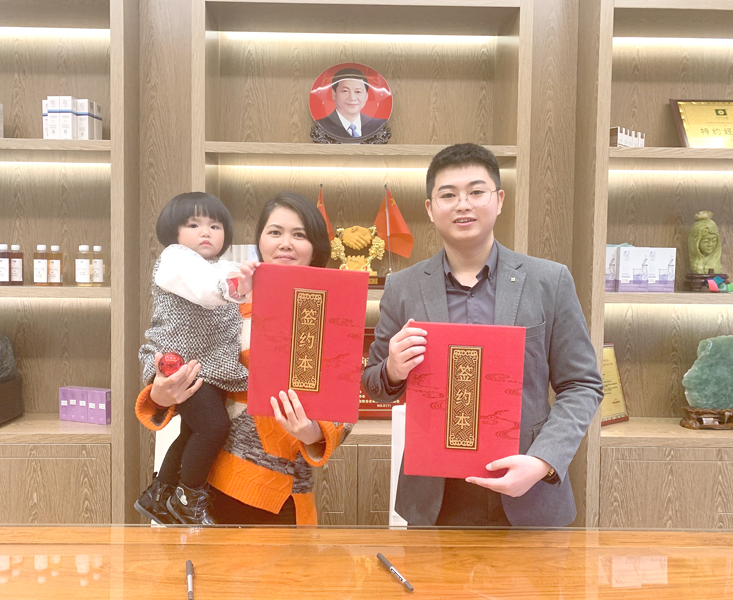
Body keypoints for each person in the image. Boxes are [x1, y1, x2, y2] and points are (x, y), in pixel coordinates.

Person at [362, 143, 603, 527]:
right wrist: (392, 368)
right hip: (435, 498)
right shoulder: (403, 287)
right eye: (448, 195)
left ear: (499, 200)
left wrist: (542, 461)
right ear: (430, 208)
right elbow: (373, 384)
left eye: (476, 192)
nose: (463, 204)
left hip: (528, 490)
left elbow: (582, 384)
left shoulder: (549, 281)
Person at [135, 192, 353, 525]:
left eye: (299, 234)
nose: (285, 243)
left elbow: (342, 410)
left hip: (277, 494)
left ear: (316, 246)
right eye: (275, 232)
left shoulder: (333, 312)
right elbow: (174, 351)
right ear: (260, 240)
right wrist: (161, 393)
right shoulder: (226, 299)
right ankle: (168, 494)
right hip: (205, 482)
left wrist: (311, 432)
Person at [136, 192, 257, 525]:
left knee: (192, 432)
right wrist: (239, 285)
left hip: (211, 367)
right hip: (182, 365)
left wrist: (247, 281)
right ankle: (188, 499)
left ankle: (159, 495)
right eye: (194, 225)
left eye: (215, 226)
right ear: (173, 231)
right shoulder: (175, 259)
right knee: (214, 427)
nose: (206, 232)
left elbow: (231, 285)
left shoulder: (221, 267)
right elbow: (206, 290)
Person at [314, 67, 387, 141]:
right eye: (345, 91)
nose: (352, 98)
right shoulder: (321, 126)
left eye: (358, 92)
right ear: (334, 94)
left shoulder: (379, 125)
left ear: (366, 96)